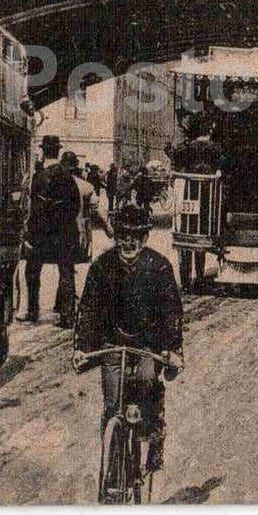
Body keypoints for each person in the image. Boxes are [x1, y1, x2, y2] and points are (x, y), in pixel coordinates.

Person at [73, 202, 184, 473]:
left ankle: (154, 434)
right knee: (112, 404)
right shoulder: (102, 266)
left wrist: (172, 349)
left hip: (148, 345)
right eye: (123, 234)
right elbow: (88, 309)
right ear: (116, 235)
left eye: (136, 235)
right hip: (113, 344)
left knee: (147, 383)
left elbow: (171, 311)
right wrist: (82, 348)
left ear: (145, 237)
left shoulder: (159, 267)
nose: (129, 241)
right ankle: (111, 465)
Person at [23, 136, 80, 326]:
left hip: (42, 234)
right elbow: (75, 205)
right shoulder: (68, 176)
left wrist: (31, 234)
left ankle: (33, 312)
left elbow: (35, 209)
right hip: (65, 232)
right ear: (57, 151)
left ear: (43, 151)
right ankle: (67, 316)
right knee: (66, 272)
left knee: (32, 270)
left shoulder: (39, 176)